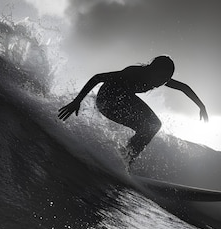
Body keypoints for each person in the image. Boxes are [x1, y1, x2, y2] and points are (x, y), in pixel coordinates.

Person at [58, 55, 208, 165]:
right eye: (161, 78)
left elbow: (184, 87)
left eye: (165, 80)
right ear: (153, 69)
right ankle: (125, 160)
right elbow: (98, 77)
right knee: (153, 125)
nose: (161, 83)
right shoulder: (134, 73)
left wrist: (201, 105)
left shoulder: (160, 78)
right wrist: (76, 101)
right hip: (106, 100)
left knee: (150, 128)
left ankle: (124, 160)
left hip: (122, 100)